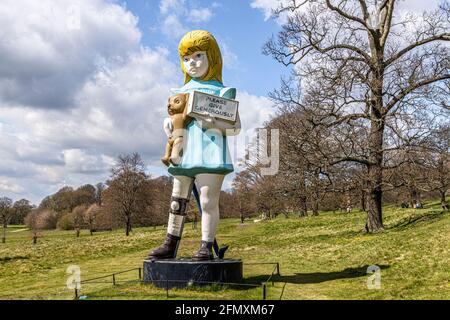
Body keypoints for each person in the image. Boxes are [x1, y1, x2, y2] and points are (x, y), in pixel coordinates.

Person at [148, 30, 240, 261]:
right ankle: (170, 242)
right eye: (187, 59)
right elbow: (174, 117)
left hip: (210, 151)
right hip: (184, 152)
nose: (192, 63)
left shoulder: (222, 91)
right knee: (177, 199)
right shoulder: (179, 92)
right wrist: (167, 124)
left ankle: (206, 246)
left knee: (208, 201)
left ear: (212, 57)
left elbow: (235, 126)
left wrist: (211, 121)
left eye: (198, 56)